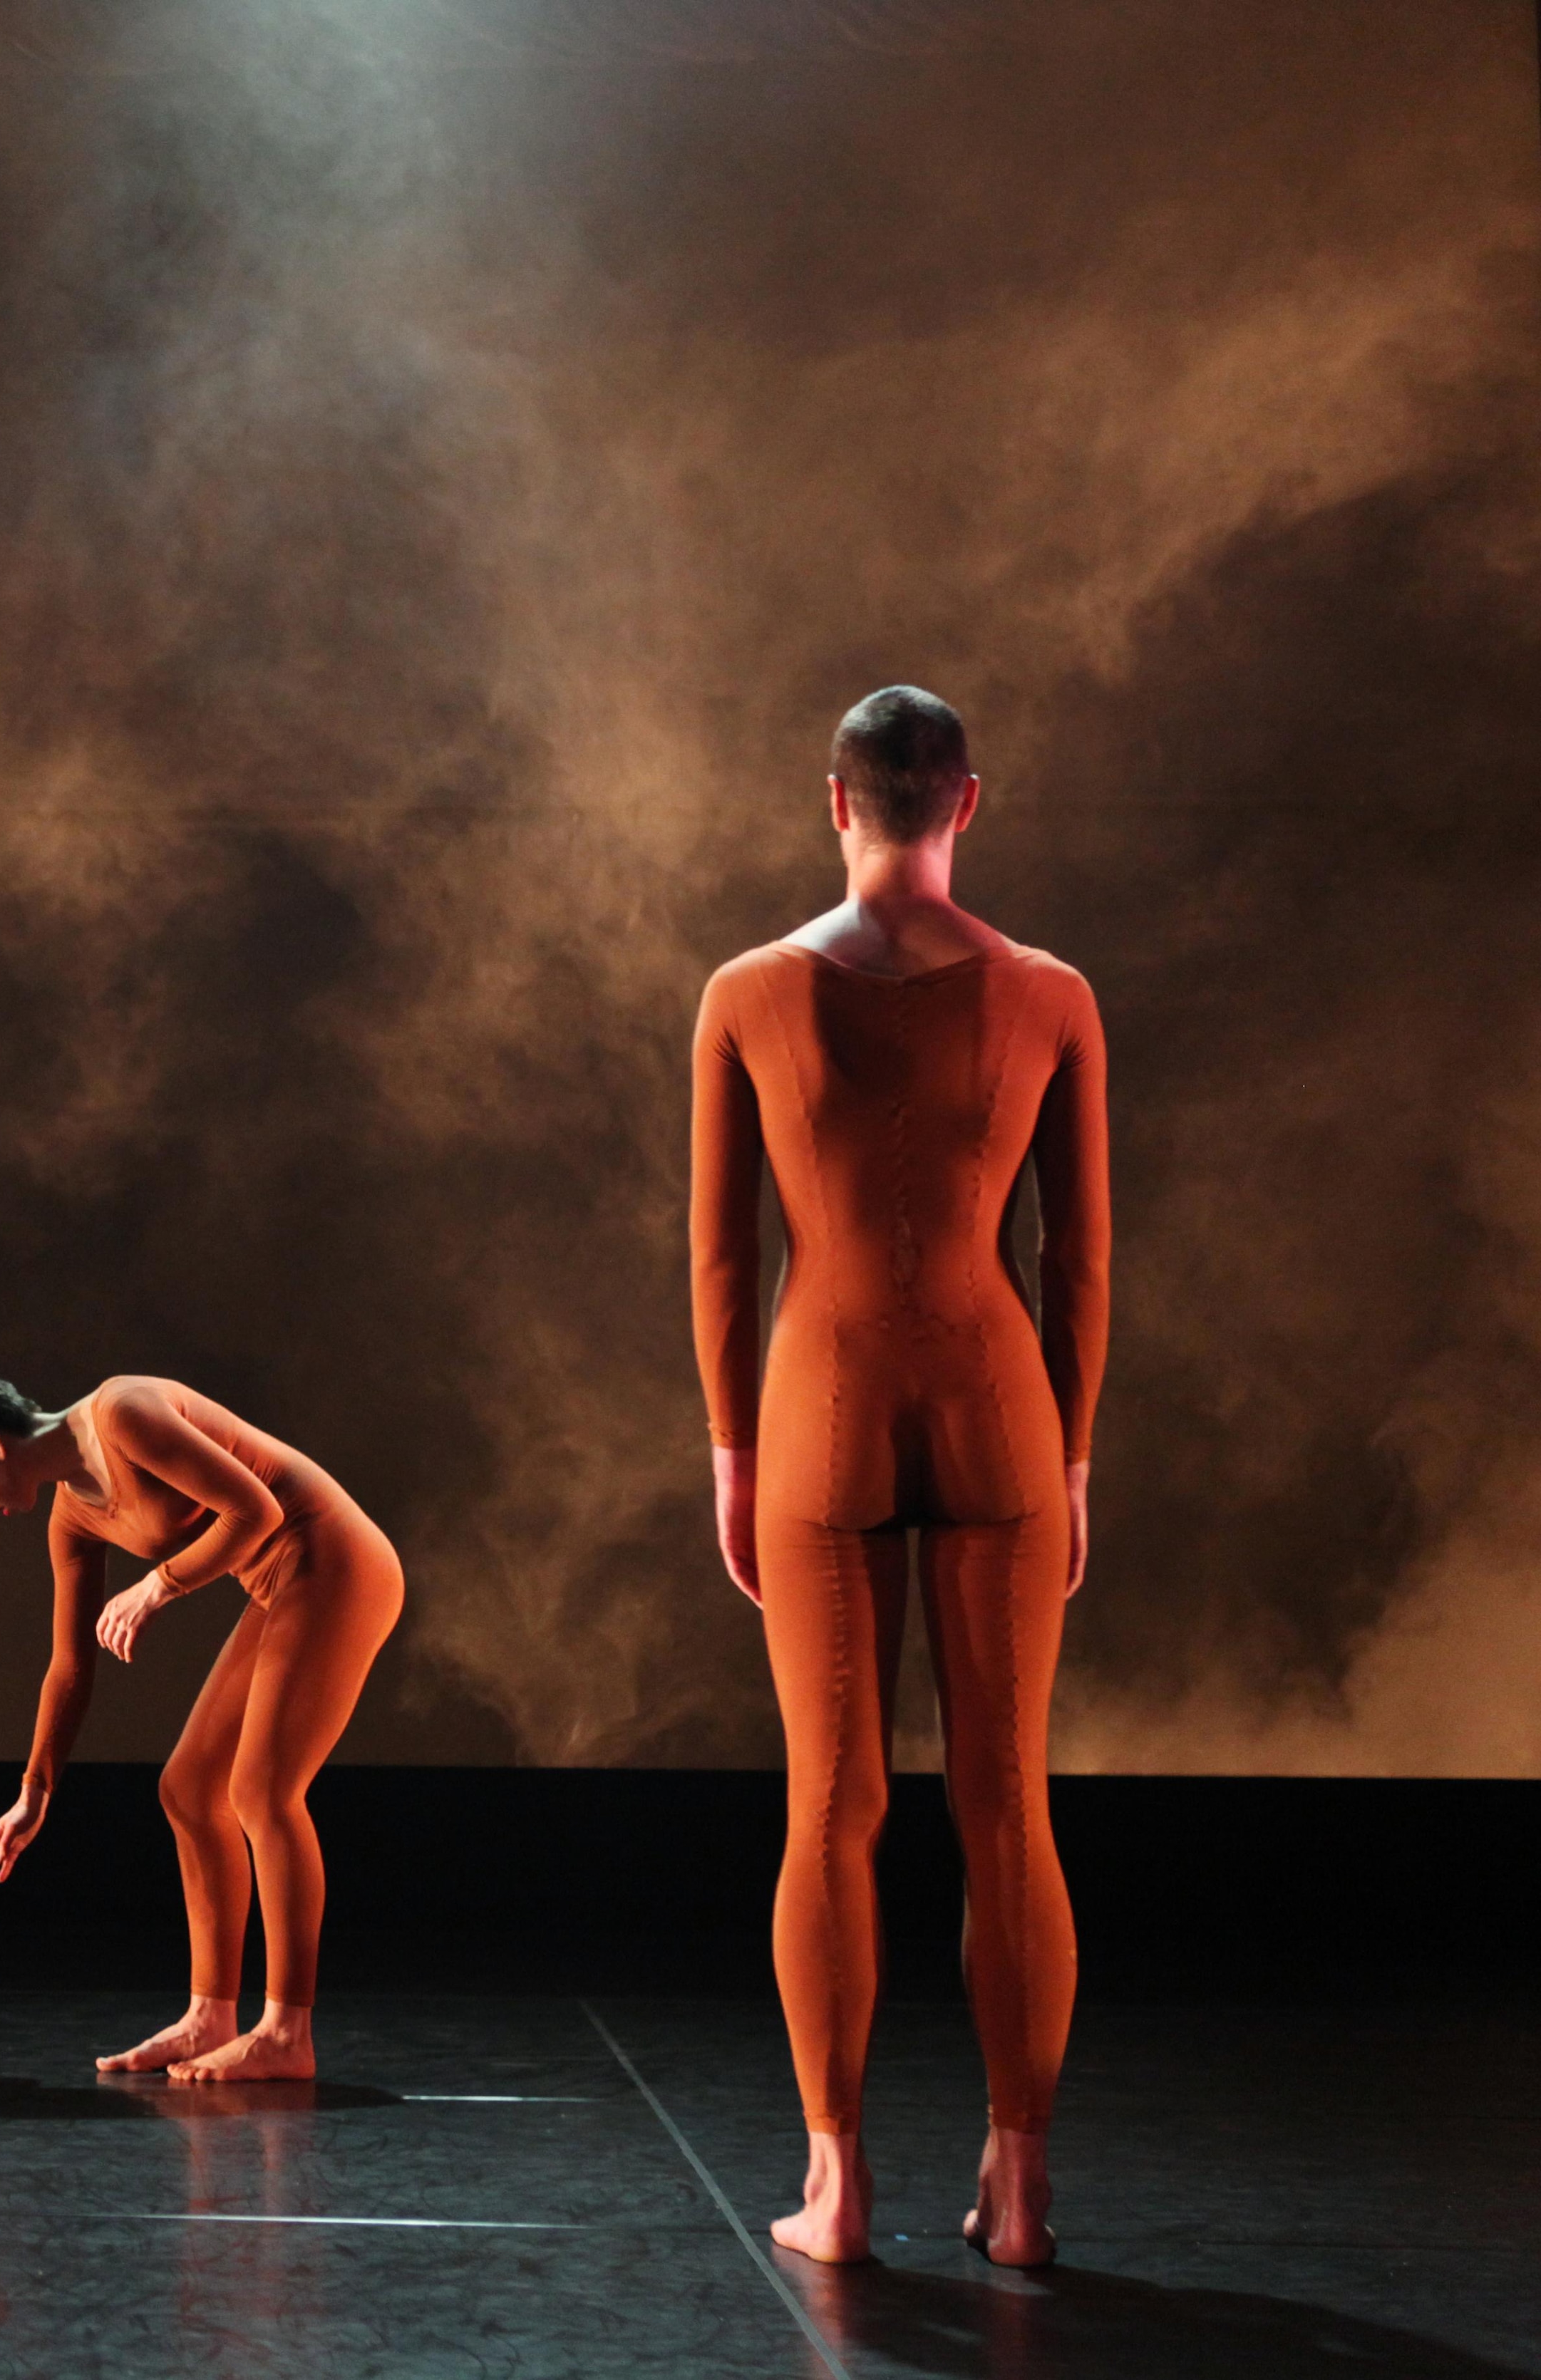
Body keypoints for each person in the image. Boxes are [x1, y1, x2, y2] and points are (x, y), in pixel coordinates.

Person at [690, 685, 1109, 2268]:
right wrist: (1070, 1449)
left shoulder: (744, 992)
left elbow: (725, 1253)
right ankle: (1017, 2187)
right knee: (1006, 1804)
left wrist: (731, 1448)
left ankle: (839, 2186)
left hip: (821, 1406)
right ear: (966, 801)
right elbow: (1078, 1257)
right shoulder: (1053, 994)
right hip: (1000, 1404)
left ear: (834, 800)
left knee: (831, 1803)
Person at [0, 1370, 405, 2083]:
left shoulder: (121, 1412)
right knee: (189, 1790)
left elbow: (256, 1512)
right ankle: (210, 2014)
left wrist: (159, 1584)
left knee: (263, 1793)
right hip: (279, 1585)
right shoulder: (71, 1518)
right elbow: (68, 1666)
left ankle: (286, 2032)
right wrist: (34, 1792)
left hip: (334, 1558)